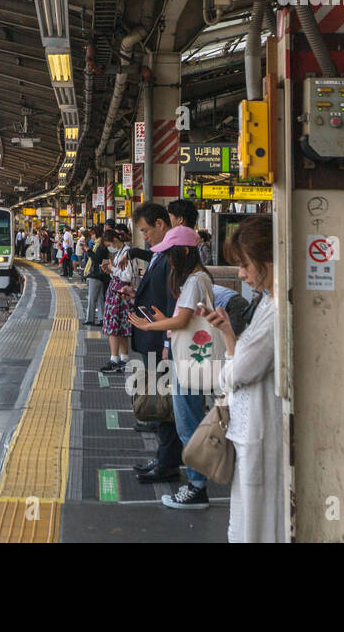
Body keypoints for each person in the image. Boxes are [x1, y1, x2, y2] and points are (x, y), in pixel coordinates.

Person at [129, 224, 223, 510]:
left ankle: (197, 487)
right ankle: (196, 484)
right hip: (193, 359)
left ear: (184, 251)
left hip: (190, 363)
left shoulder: (194, 280)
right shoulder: (198, 278)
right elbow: (187, 317)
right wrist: (162, 319)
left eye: (171, 254)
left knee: (188, 426)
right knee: (189, 422)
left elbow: (181, 321)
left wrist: (151, 324)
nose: (169, 260)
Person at [205, 216, 285, 542]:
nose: (241, 273)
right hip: (249, 429)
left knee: (255, 521)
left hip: (260, 431)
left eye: (245, 264)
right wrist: (227, 334)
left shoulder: (277, 311)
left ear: (267, 260)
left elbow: (238, 372)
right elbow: (237, 366)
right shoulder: (267, 303)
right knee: (245, 516)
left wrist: (230, 366)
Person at [126, 202, 182, 481]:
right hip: (155, 338)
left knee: (167, 405)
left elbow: (172, 303)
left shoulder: (172, 256)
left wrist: (167, 342)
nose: (144, 236)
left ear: (162, 224)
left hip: (162, 340)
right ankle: (163, 459)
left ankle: (168, 464)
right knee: (161, 404)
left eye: (146, 230)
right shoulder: (160, 255)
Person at [97, 227, 132, 372]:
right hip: (117, 291)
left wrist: (113, 269)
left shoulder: (126, 253)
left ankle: (114, 358)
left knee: (114, 326)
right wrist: (110, 271)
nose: (109, 248)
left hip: (120, 293)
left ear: (115, 241)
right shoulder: (120, 252)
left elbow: (127, 276)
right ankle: (123, 359)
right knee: (121, 327)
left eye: (109, 245)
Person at [84, 227, 111, 328]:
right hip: (102, 276)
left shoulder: (99, 246)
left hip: (96, 275)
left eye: (93, 234)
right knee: (100, 298)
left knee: (92, 298)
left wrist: (88, 251)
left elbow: (96, 259)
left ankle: (90, 319)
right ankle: (101, 319)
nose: (92, 237)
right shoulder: (101, 245)